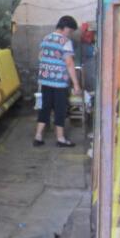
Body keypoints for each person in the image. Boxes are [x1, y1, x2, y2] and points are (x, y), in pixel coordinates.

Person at [34, 15, 82, 147]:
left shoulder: (46, 38)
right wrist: (76, 84)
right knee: (60, 109)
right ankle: (60, 139)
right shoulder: (65, 41)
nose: (70, 34)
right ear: (65, 28)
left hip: (45, 80)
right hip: (59, 82)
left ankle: (38, 136)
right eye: (70, 31)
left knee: (45, 108)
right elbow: (69, 63)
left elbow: (40, 57)